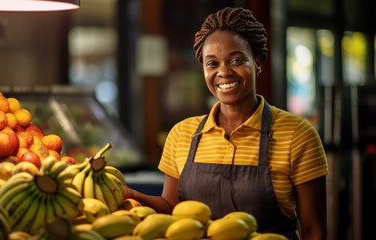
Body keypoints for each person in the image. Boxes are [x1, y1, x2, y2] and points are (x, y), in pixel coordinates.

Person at [124, 7, 328, 240]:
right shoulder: (182, 134)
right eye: (212, 63)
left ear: (258, 61)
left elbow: (314, 229)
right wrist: (131, 195)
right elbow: (173, 208)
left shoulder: (298, 134)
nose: (224, 72)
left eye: (236, 60)